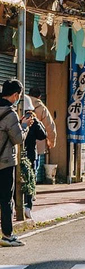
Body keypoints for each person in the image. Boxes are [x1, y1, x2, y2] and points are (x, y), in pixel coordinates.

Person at [0, 79, 33, 247]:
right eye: (18, 96)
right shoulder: (10, 113)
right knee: (6, 199)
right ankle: (7, 235)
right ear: (14, 95)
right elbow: (18, 138)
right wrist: (25, 126)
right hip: (4, 163)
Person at [22, 107, 46, 220]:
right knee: (29, 182)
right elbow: (43, 135)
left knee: (29, 181)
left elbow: (42, 135)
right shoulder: (19, 122)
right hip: (26, 156)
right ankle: (26, 206)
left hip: (29, 156)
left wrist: (35, 122)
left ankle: (27, 206)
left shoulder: (32, 124)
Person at [27, 88, 55, 185]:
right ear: (39, 97)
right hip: (37, 143)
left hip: (21, 141)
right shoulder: (42, 108)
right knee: (34, 166)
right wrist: (51, 142)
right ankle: (32, 188)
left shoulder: (22, 104)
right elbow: (50, 126)